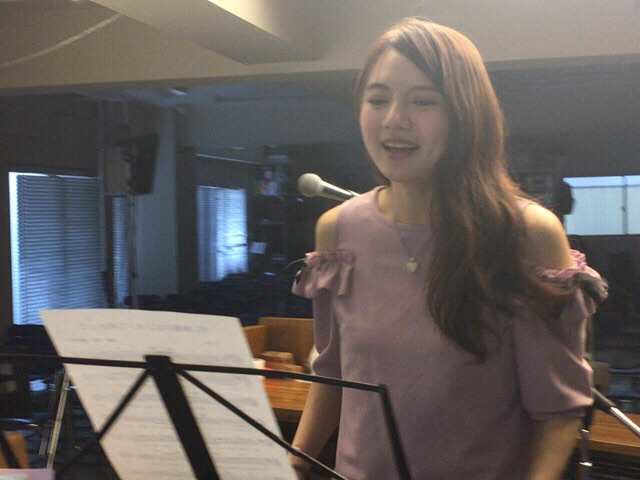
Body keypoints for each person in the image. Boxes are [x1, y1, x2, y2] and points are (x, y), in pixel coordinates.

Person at [289, 17, 606, 480]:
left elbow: (557, 411)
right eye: (378, 99)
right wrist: (294, 462)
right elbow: (333, 374)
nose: (394, 118)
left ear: (465, 114)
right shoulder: (337, 232)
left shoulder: (527, 234)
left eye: (423, 101)